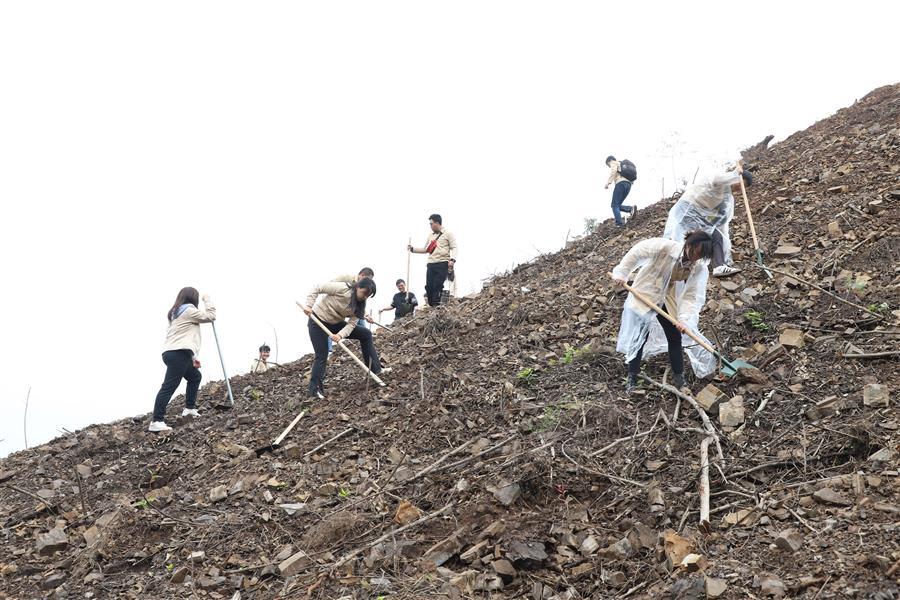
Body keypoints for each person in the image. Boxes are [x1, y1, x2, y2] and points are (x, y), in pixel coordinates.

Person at [611, 231, 718, 394]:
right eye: (695, 253)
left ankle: (680, 380)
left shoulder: (697, 268)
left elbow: (691, 296)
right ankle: (632, 379)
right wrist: (622, 273)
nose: (695, 258)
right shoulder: (665, 247)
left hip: (666, 296)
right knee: (640, 334)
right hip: (646, 290)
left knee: (675, 335)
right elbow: (637, 252)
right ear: (688, 244)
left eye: (700, 256)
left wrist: (684, 319)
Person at [300, 278, 386, 399]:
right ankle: (314, 390)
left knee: (366, 334)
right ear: (358, 287)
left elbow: (351, 324)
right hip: (317, 321)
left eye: (368, 295)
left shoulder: (361, 305)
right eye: (364, 293)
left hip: (335, 323)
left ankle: (375, 370)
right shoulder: (343, 288)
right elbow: (318, 287)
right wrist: (309, 305)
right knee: (322, 355)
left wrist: (340, 335)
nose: (365, 297)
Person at [663, 163, 753, 277]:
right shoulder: (721, 182)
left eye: (742, 188)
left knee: (712, 237)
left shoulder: (727, 199)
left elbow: (722, 223)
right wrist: (734, 174)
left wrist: (727, 250)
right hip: (687, 209)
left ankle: (682, 262)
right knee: (699, 237)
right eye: (739, 184)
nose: (739, 188)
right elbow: (715, 180)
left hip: (698, 217)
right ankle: (716, 266)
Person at [149, 287, 216, 432]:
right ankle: (157, 420)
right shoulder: (188, 310)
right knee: (169, 386)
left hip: (176, 352)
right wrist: (207, 300)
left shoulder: (176, 312)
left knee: (195, 377)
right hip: (178, 353)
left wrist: (193, 357)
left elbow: (184, 336)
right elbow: (211, 316)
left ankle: (189, 409)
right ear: (193, 298)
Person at [408, 214, 458, 307]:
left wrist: (452, 259)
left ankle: (436, 306)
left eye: (431, 224)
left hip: (442, 263)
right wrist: (413, 249)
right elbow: (426, 249)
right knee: (429, 287)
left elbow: (454, 248)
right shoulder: (430, 236)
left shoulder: (448, 233)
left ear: (437, 223)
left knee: (437, 285)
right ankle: (432, 305)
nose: (430, 226)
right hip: (431, 264)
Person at [605, 155, 637, 227]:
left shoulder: (613, 162)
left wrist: (608, 183)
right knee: (617, 205)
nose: (609, 166)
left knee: (614, 205)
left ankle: (619, 224)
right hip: (628, 185)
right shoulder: (622, 164)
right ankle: (630, 209)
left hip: (620, 184)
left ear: (609, 161)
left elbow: (613, 171)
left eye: (608, 165)